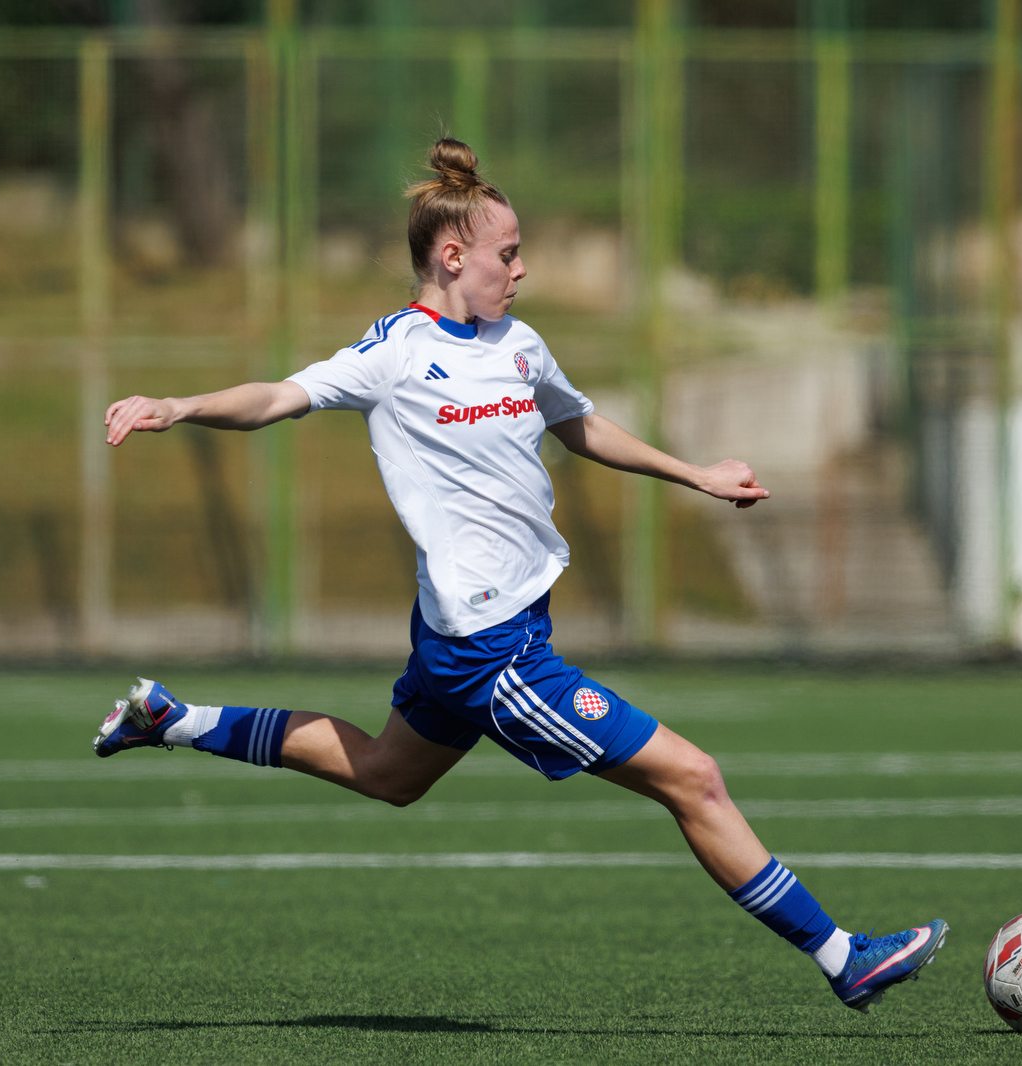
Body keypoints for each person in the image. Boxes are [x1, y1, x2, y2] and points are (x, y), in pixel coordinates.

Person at [95, 138, 946, 1013]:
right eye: (508, 254)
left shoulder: (520, 344)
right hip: (490, 651)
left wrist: (695, 474)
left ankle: (175, 720)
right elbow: (278, 397)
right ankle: (843, 957)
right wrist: (181, 405)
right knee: (693, 778)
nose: (522, 269)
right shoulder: (394, 353)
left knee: (389, 773)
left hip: (477, 629)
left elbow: (579, 425)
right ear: (451, 258)